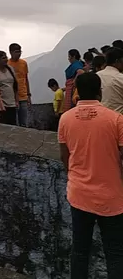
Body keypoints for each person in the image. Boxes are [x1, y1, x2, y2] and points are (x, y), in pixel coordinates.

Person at [58, 71, 123, 279]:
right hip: (111, 197)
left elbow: (65, 157)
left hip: (79, 195)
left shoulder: (65, 120)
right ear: (100, 92)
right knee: (115, 253)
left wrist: (77, 177)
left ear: (77, 92)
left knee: (79, 251)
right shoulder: (116, 120)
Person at [8, 43, 32, 127]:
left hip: (23, 95)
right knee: (13, 122)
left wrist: (28, 95)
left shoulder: (23, 63)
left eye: (20, 52)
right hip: (11, 97)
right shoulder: (7, 64)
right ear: (11, 52)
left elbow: (26, 79)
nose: (18, 54)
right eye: (16, 52)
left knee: (24, 122)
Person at [0, 51, 19, 125]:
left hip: (12, 103)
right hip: (2, 105)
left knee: (13, 125)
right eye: (3, 58)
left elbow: (15, 85)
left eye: (6, 57)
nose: (6, 60)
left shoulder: (10, 69)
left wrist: (16, 100)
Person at [98, 48, 123, 114]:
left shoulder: (96, 75)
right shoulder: (120, 78)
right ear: (117, 61)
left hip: (100, 117)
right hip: (118, 118)